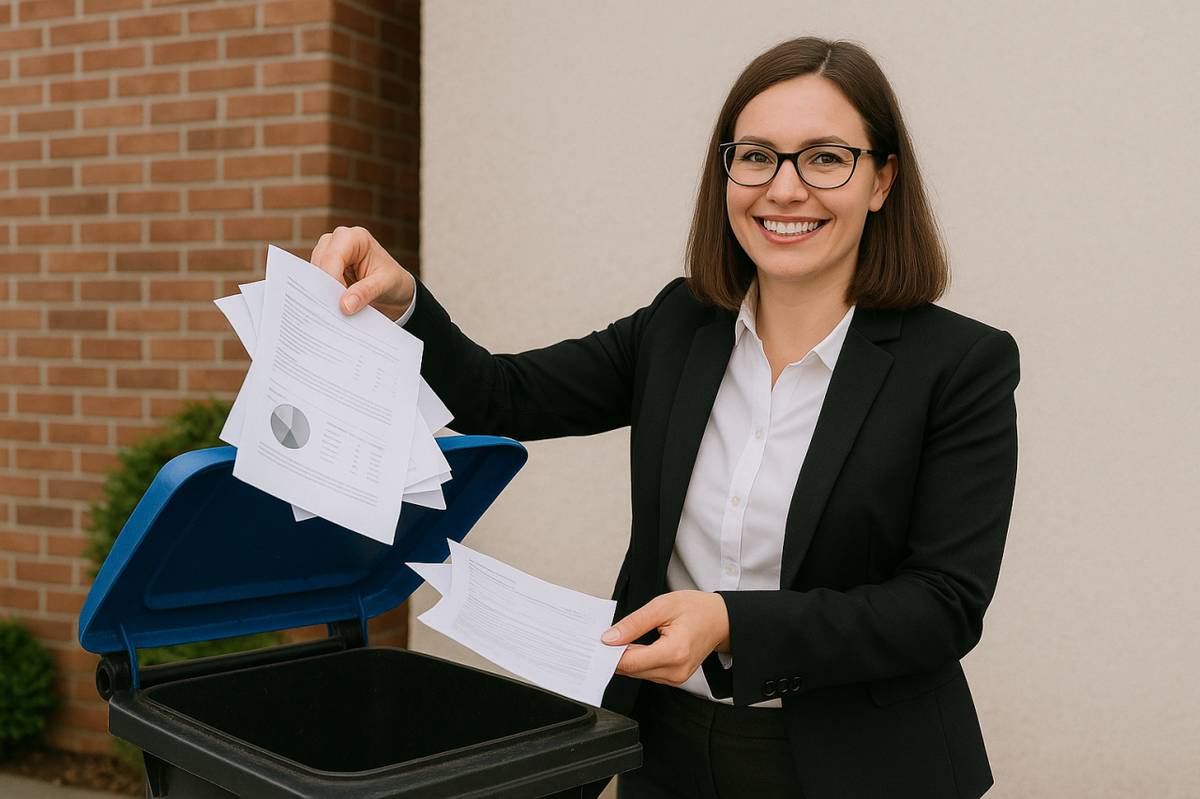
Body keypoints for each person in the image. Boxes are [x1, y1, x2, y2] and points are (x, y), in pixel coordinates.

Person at [309, 36, 1019, 799]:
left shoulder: (960, 364)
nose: (784, 188)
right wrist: (403, 299)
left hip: (865, 765)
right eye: (756, 156)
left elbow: (942, 605)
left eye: (824, 158)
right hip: (668, 752)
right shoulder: (680, 324)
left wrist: (732, 624)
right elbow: (500, 394)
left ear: (881, 180)